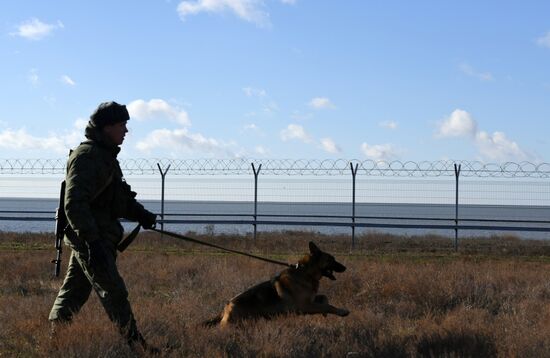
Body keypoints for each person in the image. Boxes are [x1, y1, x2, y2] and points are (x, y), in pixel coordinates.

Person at [48, 101, 158, 353]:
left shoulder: (104, 156)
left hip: (97, 237)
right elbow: (74, 204)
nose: (126, 131)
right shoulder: (87, 157)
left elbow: (116, 198)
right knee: (115, 292)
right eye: (122, 125)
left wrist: (142, 215)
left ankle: (55, 341)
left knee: (73, 292)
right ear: (107, 127)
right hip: (91, 239)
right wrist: (92, 242)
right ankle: (136, 345)